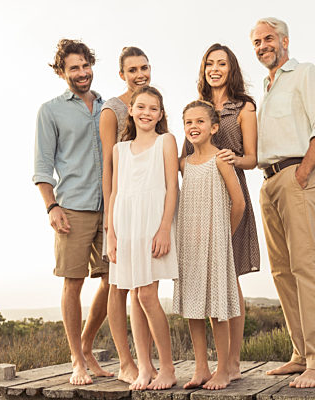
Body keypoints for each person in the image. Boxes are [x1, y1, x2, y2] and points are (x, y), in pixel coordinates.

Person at [250, 18, 315, 388]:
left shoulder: (305, 74)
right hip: (268, 182)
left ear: (285, 41)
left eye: (268, 38)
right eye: (256, 41)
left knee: (305, 266)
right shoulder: (267, 89)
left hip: (295, 175)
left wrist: (303, 171)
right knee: (281, 272)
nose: (261, 46)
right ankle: (301, 354)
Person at [32, 39, 114, 385]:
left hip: (111, 205)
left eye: (85, 66)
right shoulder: (50, 111)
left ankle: (86, 345)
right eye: (74, 68)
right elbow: (42, 166)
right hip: (73, 207)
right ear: (62, 73)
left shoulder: (110, 106)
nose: (82, 73)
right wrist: (51, 206)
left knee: (114, 279)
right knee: (73, 281)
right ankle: (77, 360)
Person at [181, 43, 260, 381]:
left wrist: (229, 158)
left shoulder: (244, 107)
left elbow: (252, 159)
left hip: (229, 192)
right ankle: (208, 365)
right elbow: (186, 157)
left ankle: (232, 363)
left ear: (232, 69)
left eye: (222, 64)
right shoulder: (196, 108)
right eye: (209, 63)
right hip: (199, 197)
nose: (215, 69)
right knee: (202, 283)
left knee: (231, 280)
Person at [106, 86, 179, 390]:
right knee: (134, 295)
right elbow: (114, 194)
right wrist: (110, 234)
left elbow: (172, 189)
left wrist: (164, 227)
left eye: (154, 108)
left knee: (147, 294)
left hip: (153, 223)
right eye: (141, 107)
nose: (147, 113)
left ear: (161, 114)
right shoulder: (119, 150)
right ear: (131, 110)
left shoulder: (166, 141)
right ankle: (144, 369)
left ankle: (169, 368)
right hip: (126, 225)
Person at [174, 100, 246, 390]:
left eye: (200, 122)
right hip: (189, 241)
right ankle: (201, 367)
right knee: (193, 306)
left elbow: (238, 203)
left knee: (217, 308)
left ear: (214, 127)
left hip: (216, 243)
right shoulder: (184, 165)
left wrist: (223, 236)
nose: (194, 127)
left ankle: (224, 370)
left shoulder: (221, 159)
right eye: (188, 122)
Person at [99, 46, 155, 384]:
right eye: (133, 70)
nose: (140, 74)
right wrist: (110, 216)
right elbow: (108, 165)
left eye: (144, 68)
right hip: (119, 206)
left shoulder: (151, 106)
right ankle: (125, 362)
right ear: (122, 74)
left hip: (145, 210)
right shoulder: (113, 110)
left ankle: (146, 362)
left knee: (144, 287)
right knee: (118, 286)